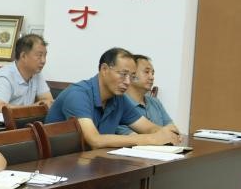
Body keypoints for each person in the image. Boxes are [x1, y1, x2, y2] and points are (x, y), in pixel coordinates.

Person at [46, 47, 183, 149]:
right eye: (123, 74)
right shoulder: (78, 95)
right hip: (57, 166)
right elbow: (94, 140)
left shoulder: (119, 99)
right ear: (104, 69)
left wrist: (166, 133)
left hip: (94, 163)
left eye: (132, 76)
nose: (128, 82)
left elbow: (147, 127)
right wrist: (151, 139)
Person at [116, 54, 180, 135]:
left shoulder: (155, 102)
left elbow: (173, 129)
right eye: (146, 72)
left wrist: (169, 134)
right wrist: (165, 134)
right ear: (131, 74)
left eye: (152, 73)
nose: (152, 77)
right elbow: (133, 138)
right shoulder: (119, 103)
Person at [0, 34, 54, 111]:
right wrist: (32, 108)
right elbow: (0, 107)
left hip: (22, 117)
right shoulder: (6, 76)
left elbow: (48, 101)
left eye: (45, 56)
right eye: (39, 55)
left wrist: (39, 106)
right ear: (23, 56)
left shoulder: (36, 74)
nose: (43, 61)